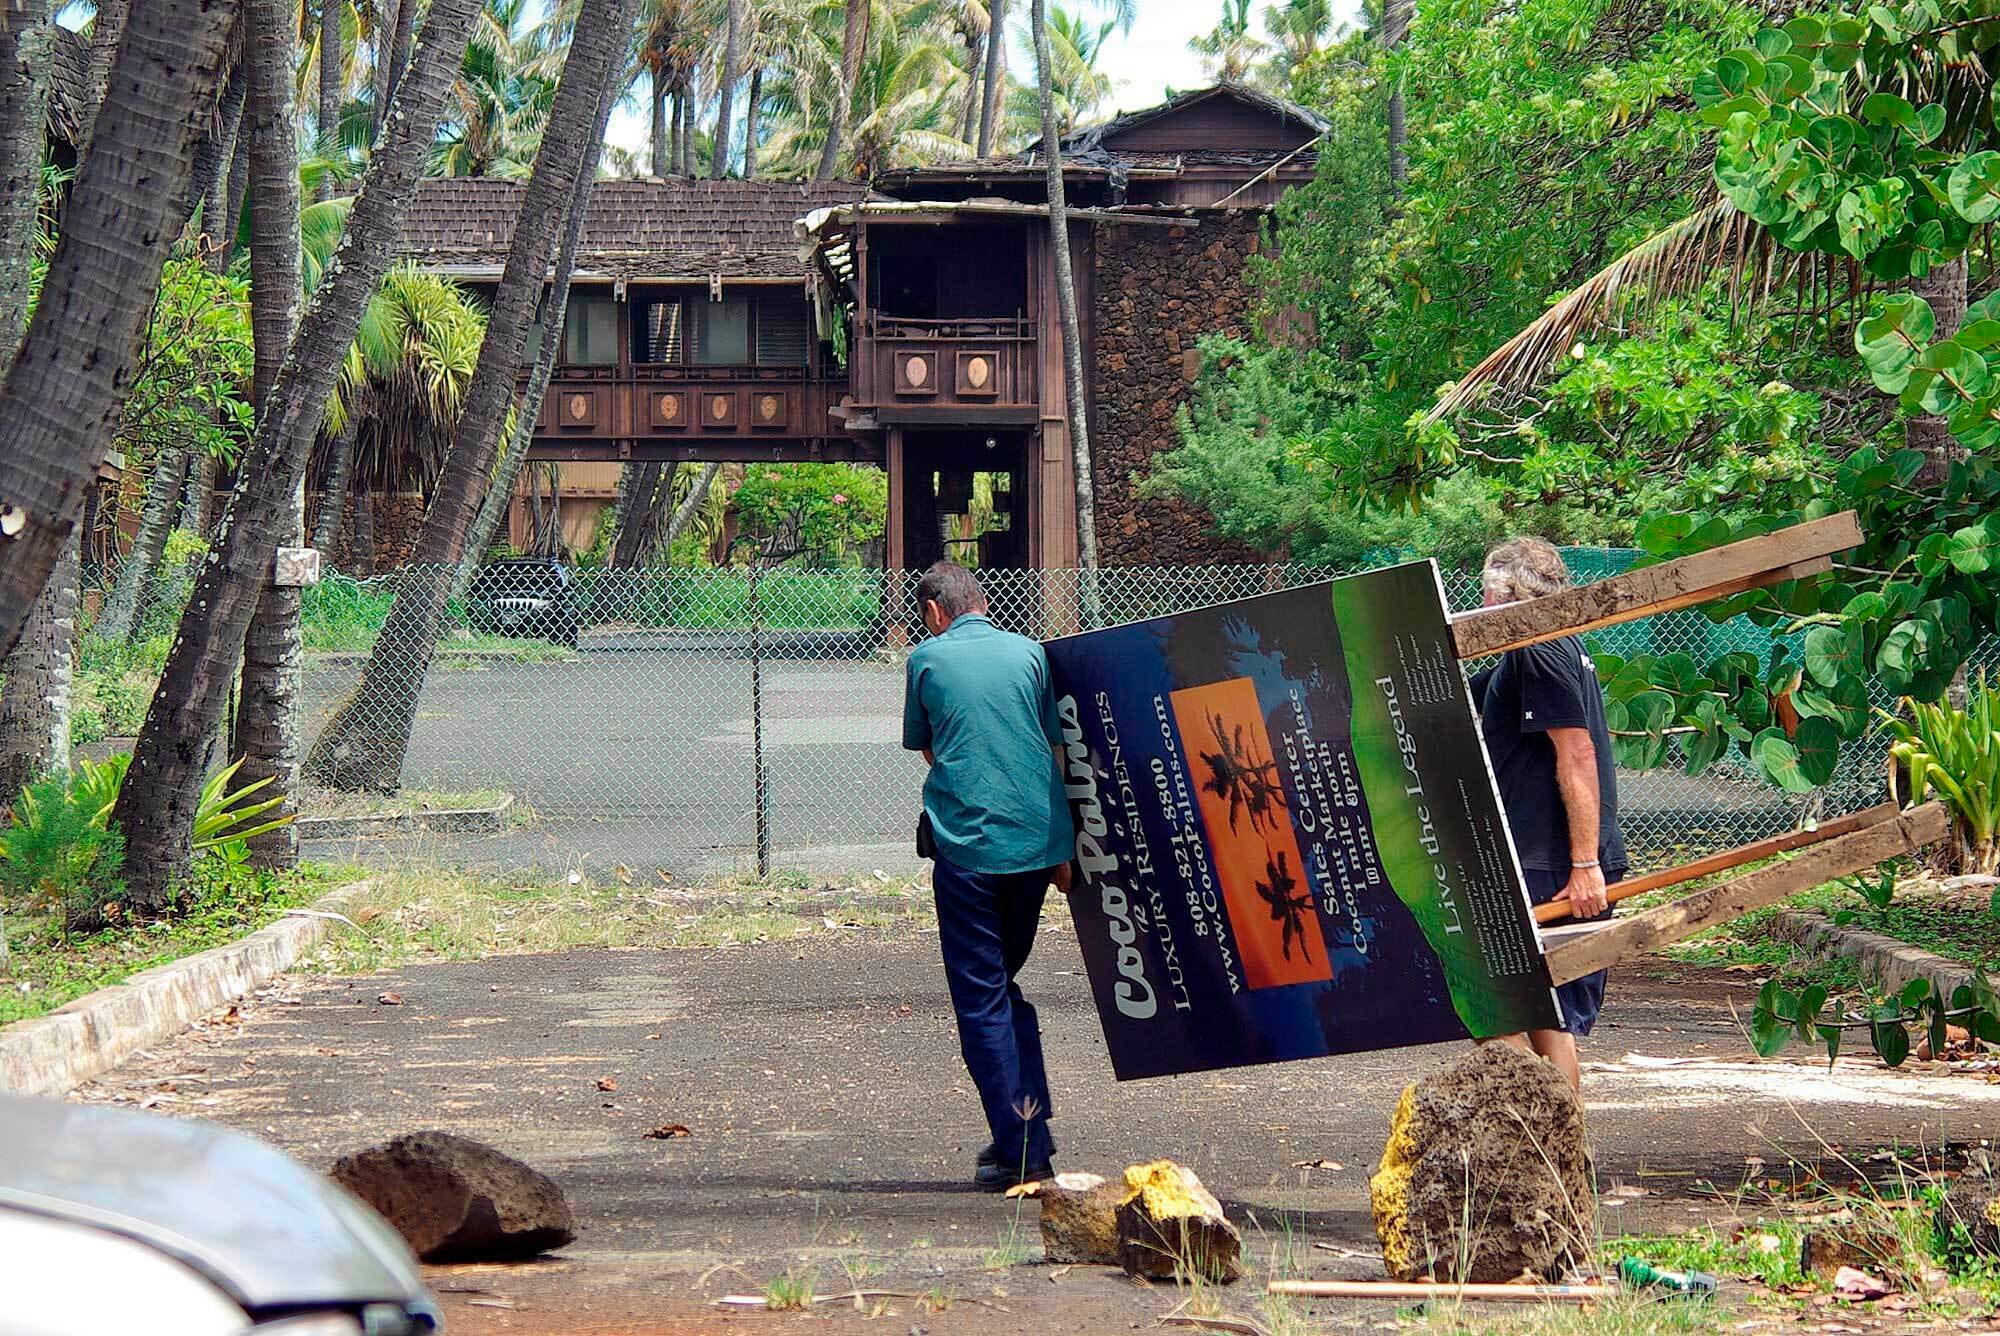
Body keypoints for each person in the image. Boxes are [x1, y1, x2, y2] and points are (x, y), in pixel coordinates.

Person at [902, 560, 1075, 1190]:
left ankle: (1024, 1148)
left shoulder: (926, 659)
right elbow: (1055, 745)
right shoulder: (1030, 654)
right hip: (1036, 845)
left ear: (933, 610)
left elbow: (928, 746)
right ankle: (1026, 1127)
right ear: (980, 601)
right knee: (1003, 984)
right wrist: (1065, 847)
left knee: (981, 997)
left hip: (970, 850)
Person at [1469, 537, 1627, 1091]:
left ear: (1512, 593)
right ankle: (1553, 1158)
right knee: (1536, 1017)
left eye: (1487, 596)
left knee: (1505, 1014)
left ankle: (1534, 1151)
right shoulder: (1535, 651)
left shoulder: (1539, 646)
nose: (1482, 610)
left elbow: (1577, 753)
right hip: (1533, 855)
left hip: (1551, 861)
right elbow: (1460, 697)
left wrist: (1585, 864)